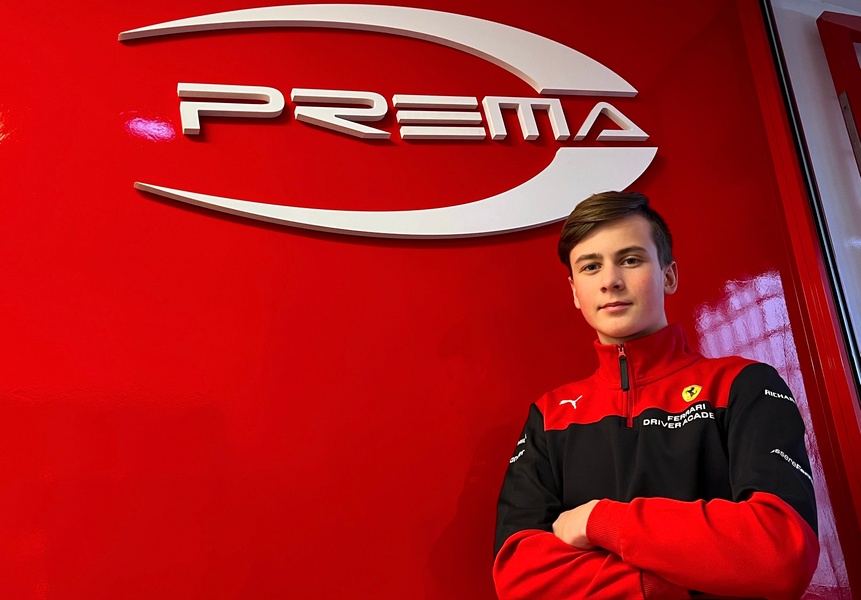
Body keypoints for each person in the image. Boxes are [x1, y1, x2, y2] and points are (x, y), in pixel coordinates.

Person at [493, 191, 819, 599]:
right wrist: (672, 584)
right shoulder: (550, 415)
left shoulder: (744, 385)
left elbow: (782, 553)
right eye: (591, 266)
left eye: (630, 260)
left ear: (668, 276)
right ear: (576, 292)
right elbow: (519, 576)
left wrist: (599, 519)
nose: (610, 280)